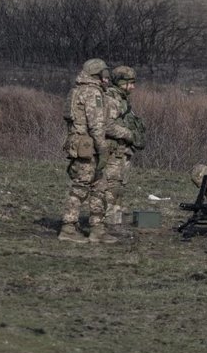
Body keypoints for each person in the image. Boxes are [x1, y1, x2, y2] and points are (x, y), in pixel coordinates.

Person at [58, 58, 113, 243]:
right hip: (88, 148)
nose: (107, 78)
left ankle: (97, 228)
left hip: (81, 145)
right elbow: (96, 126)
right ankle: (68, 227)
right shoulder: (92, 92)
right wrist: (103, 149)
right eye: (104, 74)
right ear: (97, 74)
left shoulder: (77, 90)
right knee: (81, 187)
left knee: (99, 186)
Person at [93, 65, 145, 233]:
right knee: (111, 186)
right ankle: (107, 222)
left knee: (120, 186)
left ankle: (114, 219)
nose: (133, 87)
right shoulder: (112, 99)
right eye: (130, 83)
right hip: (113, 151)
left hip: (122, 151)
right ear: (121, 83)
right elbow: (107, 126)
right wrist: (129, 134)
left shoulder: (122, 99)